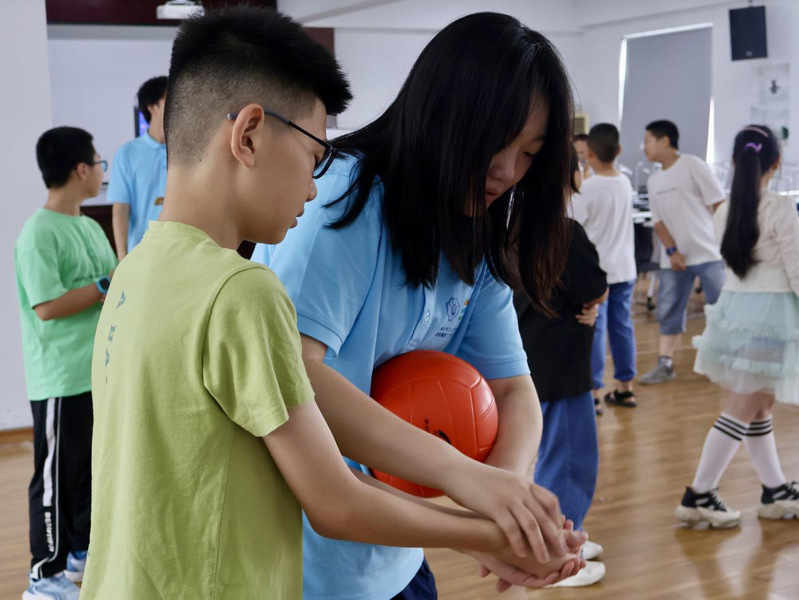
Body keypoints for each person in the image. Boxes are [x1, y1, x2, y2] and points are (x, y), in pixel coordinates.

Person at [80, 8, 584, 600]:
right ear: (248, 136)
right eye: (312, 157)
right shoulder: (247, 289)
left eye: (530, 154)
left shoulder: (134, 271)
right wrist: (485, 521)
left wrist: (503, 508)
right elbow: (334, 502)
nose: (314, 185)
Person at [259, 12, 580, 600]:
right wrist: (470, 488)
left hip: (394, 555)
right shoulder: (342, 201)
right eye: (497, 141)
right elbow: (290, 375)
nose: (508, 171)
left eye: (529, 153)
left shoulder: (474, 231)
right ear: (444, 114)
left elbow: (514, 390)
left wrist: (504, 510)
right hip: (294, 567)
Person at [677, 125, 799, 528]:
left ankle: (775, 489)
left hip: (737, 312)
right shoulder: (779, 207)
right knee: (745, 405)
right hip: (770, 315)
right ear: (776, 163)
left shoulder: (725, 210)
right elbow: (797, 271)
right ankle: (699, 494)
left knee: (759, 403)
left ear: (733, 161)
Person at [15, 127, 116, 600]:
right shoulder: (38, 233)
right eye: (98, 164)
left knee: (88, 472)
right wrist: (103, 285)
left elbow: (110, 285)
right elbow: (47, 306)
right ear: (81, 170)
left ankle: (79, 555)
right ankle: (44, 575)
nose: (100, 172)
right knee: (54, 479)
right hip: (58, 377)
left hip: (95, 372)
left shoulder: (90, 226)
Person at [516, 152, 608, 587]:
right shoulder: (563, 231)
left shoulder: (513, 228)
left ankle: (564, 537)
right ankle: (561, 553)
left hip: (530, 356)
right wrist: (594, 301)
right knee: (570, 457)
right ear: (570, 175)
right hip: (562, 360)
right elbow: (596, 286)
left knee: (552, 453)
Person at [639, 120, 726, 385]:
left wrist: (725, 243)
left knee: (721, 309)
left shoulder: (692, 165)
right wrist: (672, 251)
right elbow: (658, 222)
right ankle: (665, 364)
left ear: (664, 141)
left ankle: (725, 361)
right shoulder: (654, 180)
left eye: (648, 141)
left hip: (709, 253)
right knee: (668, 310)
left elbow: (719, 204)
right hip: (674, 259)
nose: (644, 147)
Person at [572, 123, 638, 408]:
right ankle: (625, 388)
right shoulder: (625, 182)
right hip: (625, 269)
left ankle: (595, 394)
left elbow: (572, 226)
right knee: (622, 327)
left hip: (598, 273)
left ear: (588, 153)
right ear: (619, 150)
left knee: (595, 331)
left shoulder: (587, 188)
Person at [108, 75, 168, 261]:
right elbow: (121, 208)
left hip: (179, 251)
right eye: (170, 98)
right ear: (152, 106)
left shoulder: (186, 150)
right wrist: (122, 257)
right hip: (141, 254)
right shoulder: (127, 153)